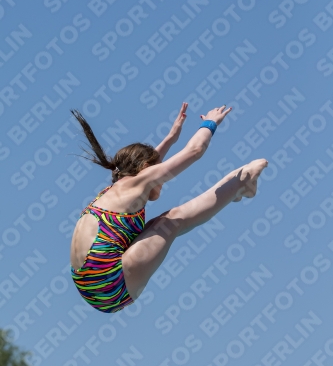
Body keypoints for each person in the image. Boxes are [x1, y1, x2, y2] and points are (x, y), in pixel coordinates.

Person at [70, 102, 268, 313]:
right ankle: (241, 182)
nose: (162, 181)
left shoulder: (116, 190)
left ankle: (236, 188)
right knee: (172, 220)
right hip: (111, 285)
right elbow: (195, 150)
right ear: (145, 169)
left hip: (90, 287)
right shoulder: (136, 183)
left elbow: (147, 166)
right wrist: (211, 122)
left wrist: (171, 138)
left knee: (158, 223)